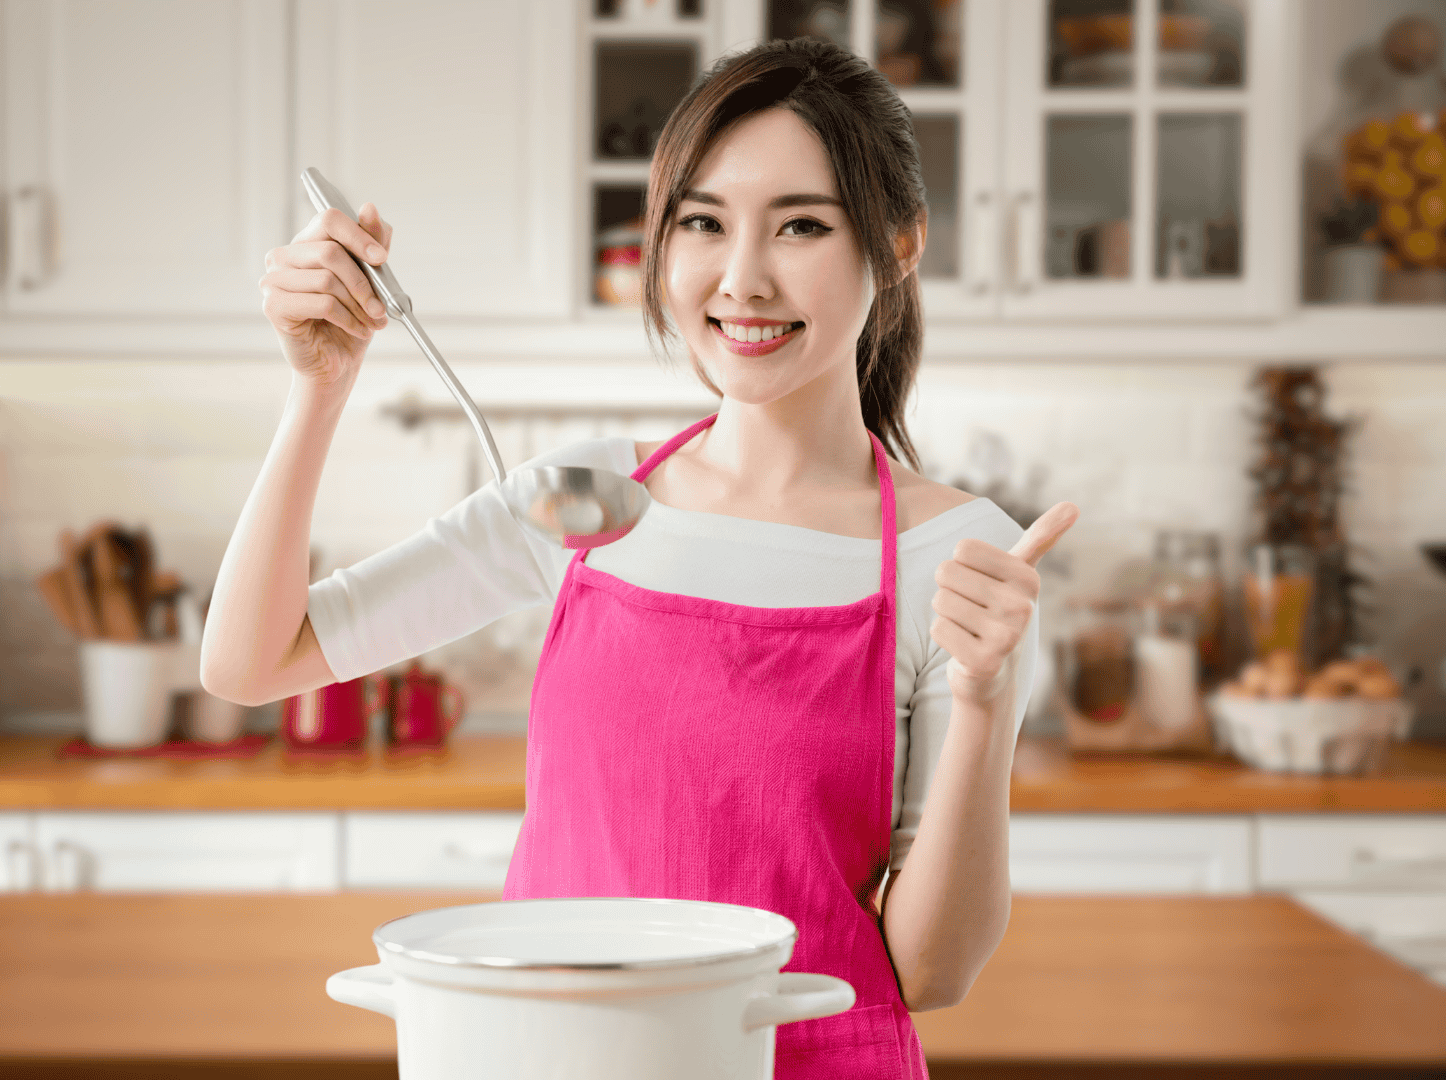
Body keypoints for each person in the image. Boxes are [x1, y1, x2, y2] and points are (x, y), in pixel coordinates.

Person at [203, 36, 1077, 1080]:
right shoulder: (582, 500)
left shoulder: (955, 554)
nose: (740, 279)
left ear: (896, 245)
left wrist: (981, 699)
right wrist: (319, 390)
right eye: (702, 223)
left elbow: (930, 971)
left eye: (800, 225)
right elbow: (253, 663)